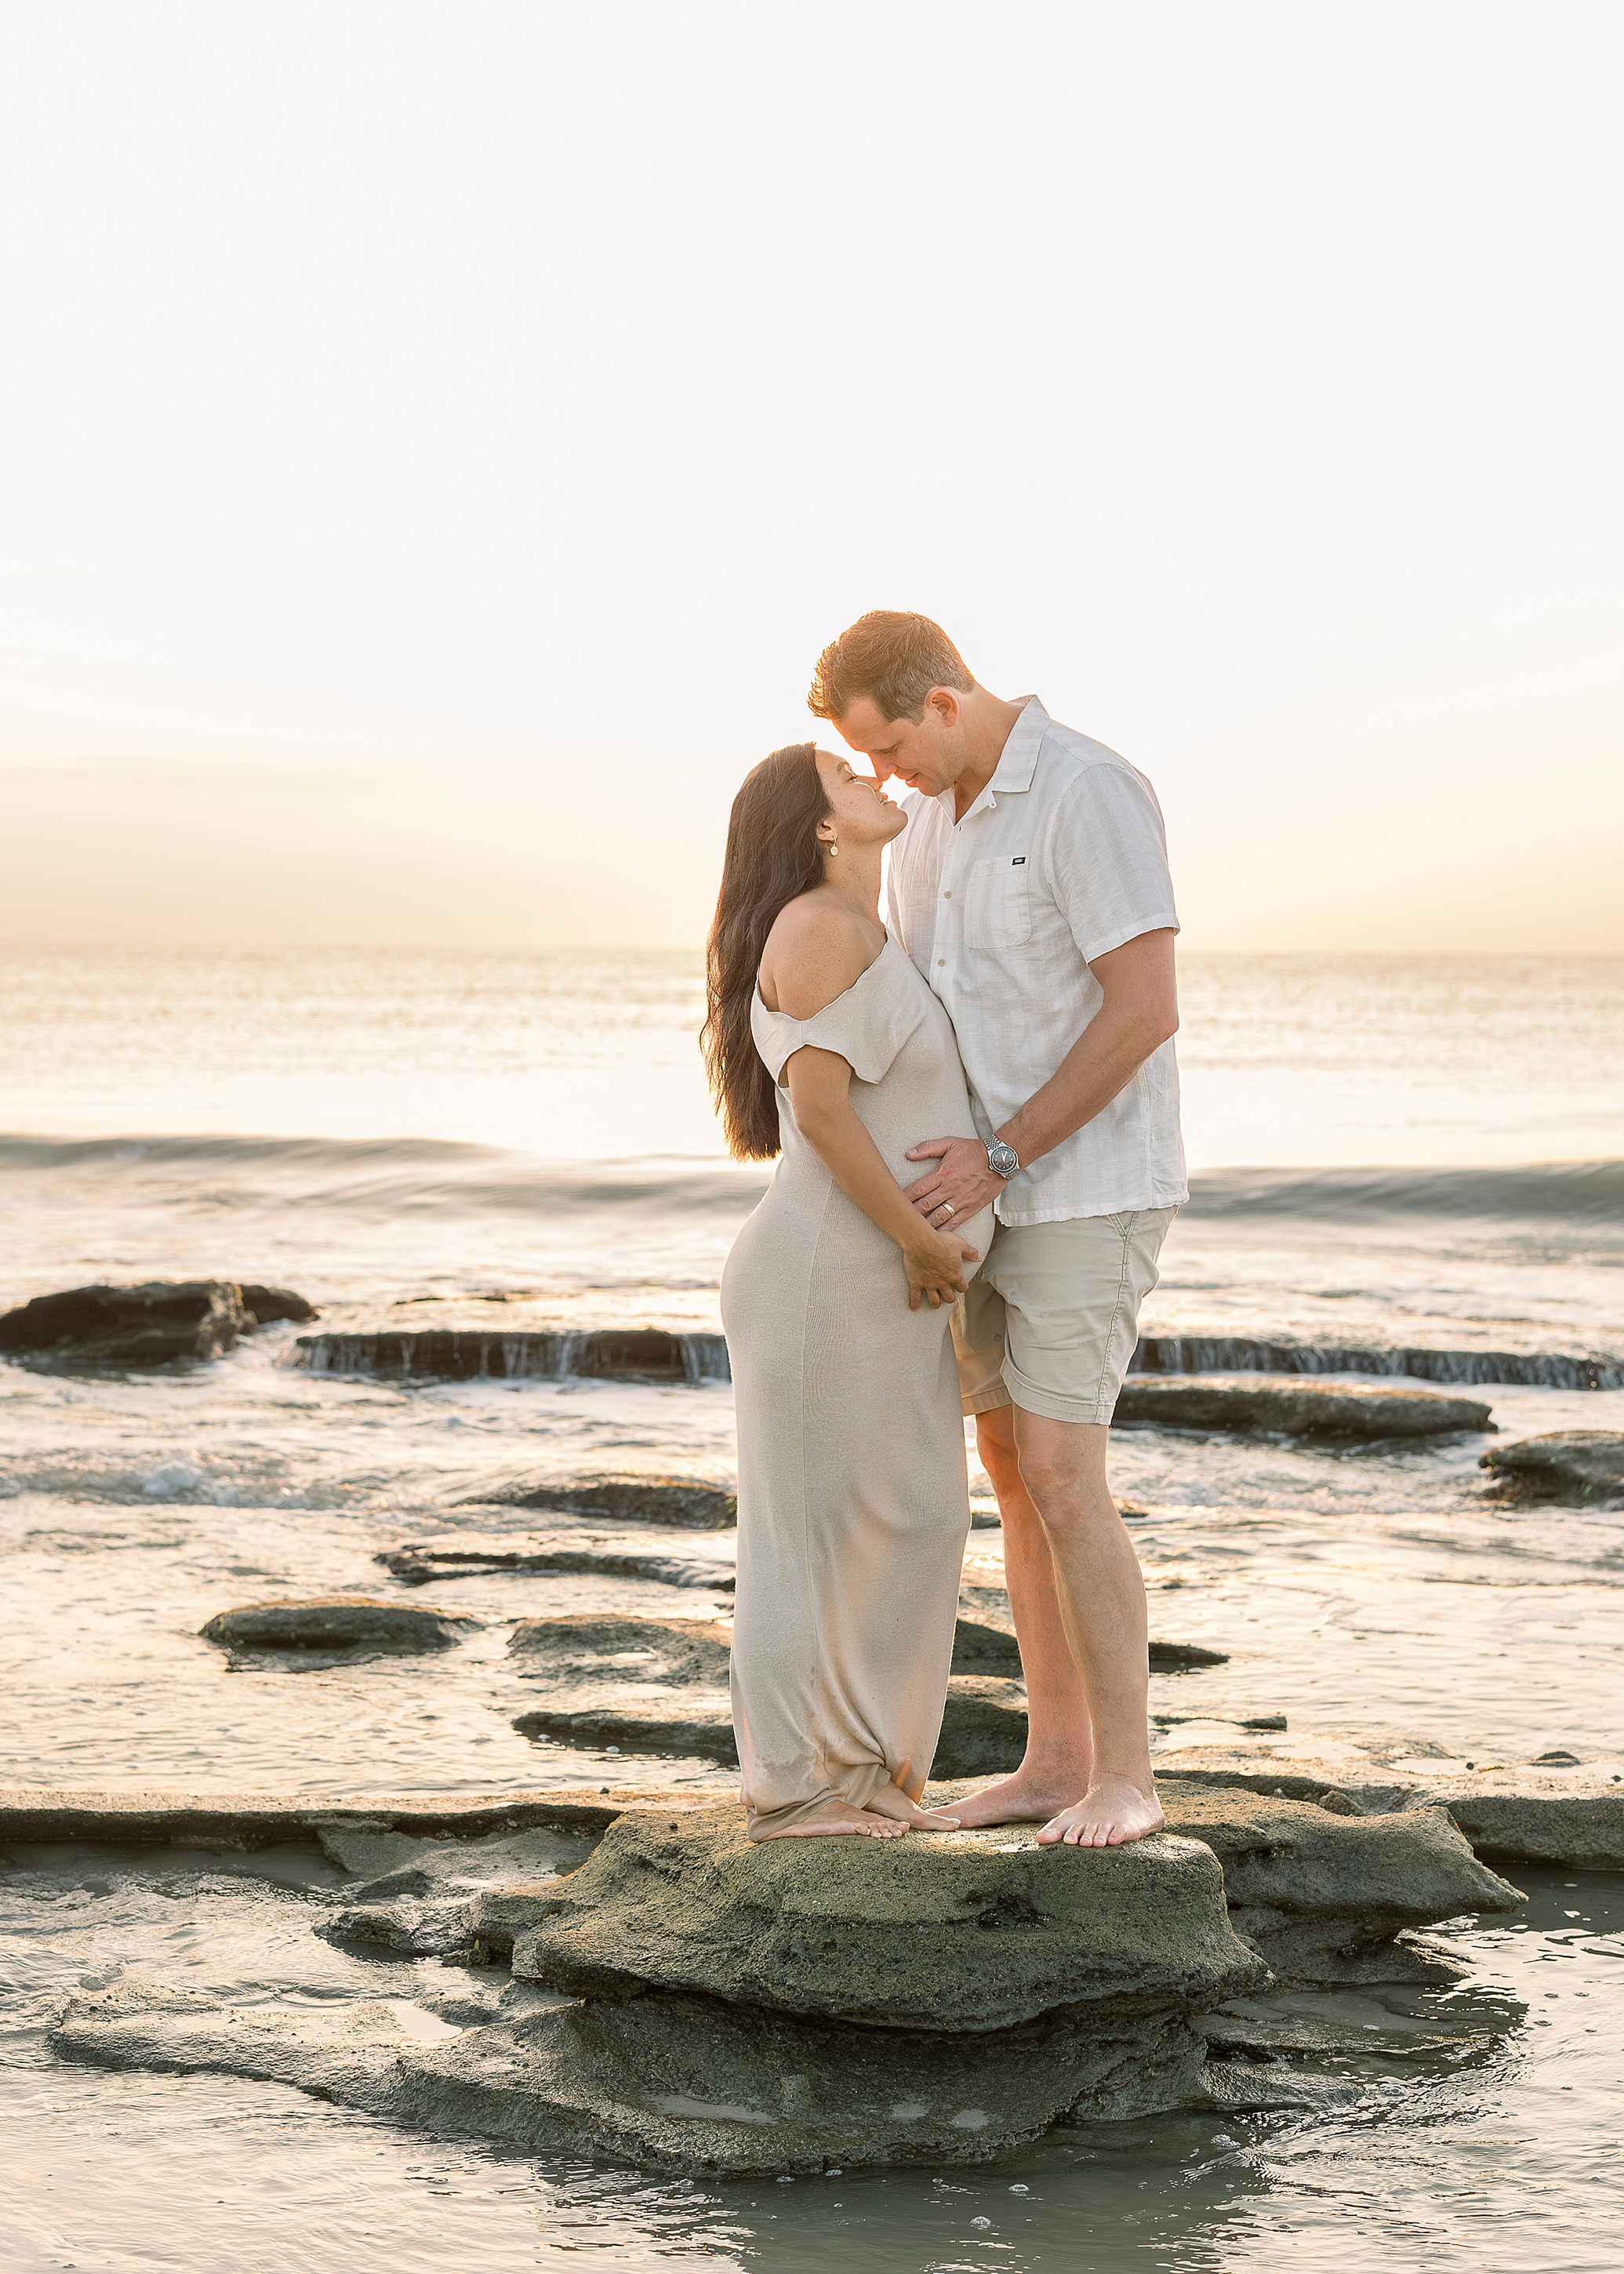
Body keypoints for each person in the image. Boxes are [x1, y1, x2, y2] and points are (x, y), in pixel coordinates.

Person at [808, 611, 1185, 1848]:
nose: (889, 779)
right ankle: (1052, 1762)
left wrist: (1008, 1153)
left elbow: (1144, 1010)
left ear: (947, 698)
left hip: (1084, 1188)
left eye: (895, 750)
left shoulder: (1088, 791)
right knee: (1014, 1479)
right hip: (977, 1207)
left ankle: (1127, 1782)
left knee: (1071, 1477)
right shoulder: (921, 828)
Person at [703, 741, 995, 1839]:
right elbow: (820, 1113)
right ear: (820, 827)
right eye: (846, 775)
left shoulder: (867, 929)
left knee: (911, 1515)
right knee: (807, 1533)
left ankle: (862, 1767)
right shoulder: (818, 928)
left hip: (875, 1281)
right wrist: (920, 1247)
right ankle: (795, 1788)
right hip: (829, 1272)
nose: (877, 781)